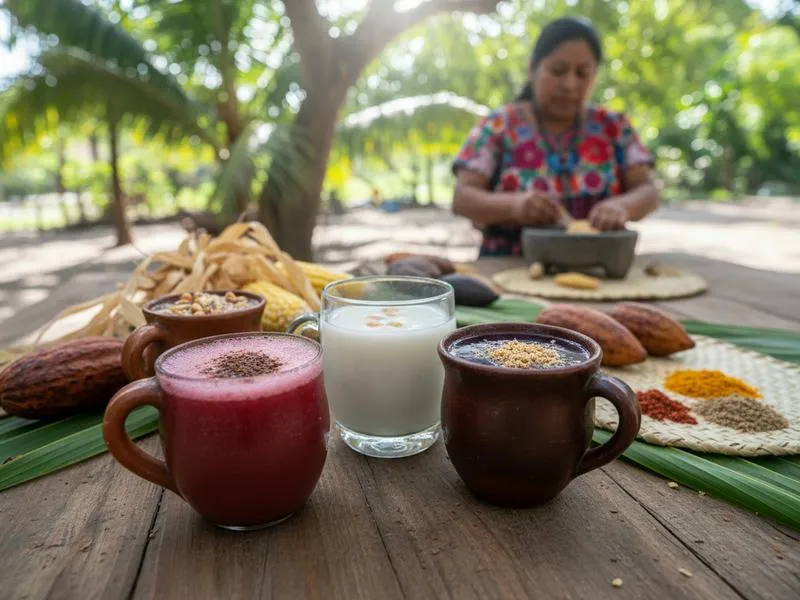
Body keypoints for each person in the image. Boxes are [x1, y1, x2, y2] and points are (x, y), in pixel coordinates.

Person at [451, 17, 659, 256]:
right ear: (532, 69)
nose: (570, 84)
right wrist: (515, 206)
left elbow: (648, 190)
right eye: (558, 71)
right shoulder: (499, 126)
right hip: (509, 267)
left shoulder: (613, 127)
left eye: (582, 73)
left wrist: (621, 206)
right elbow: (462, 198)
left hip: (599, 269)